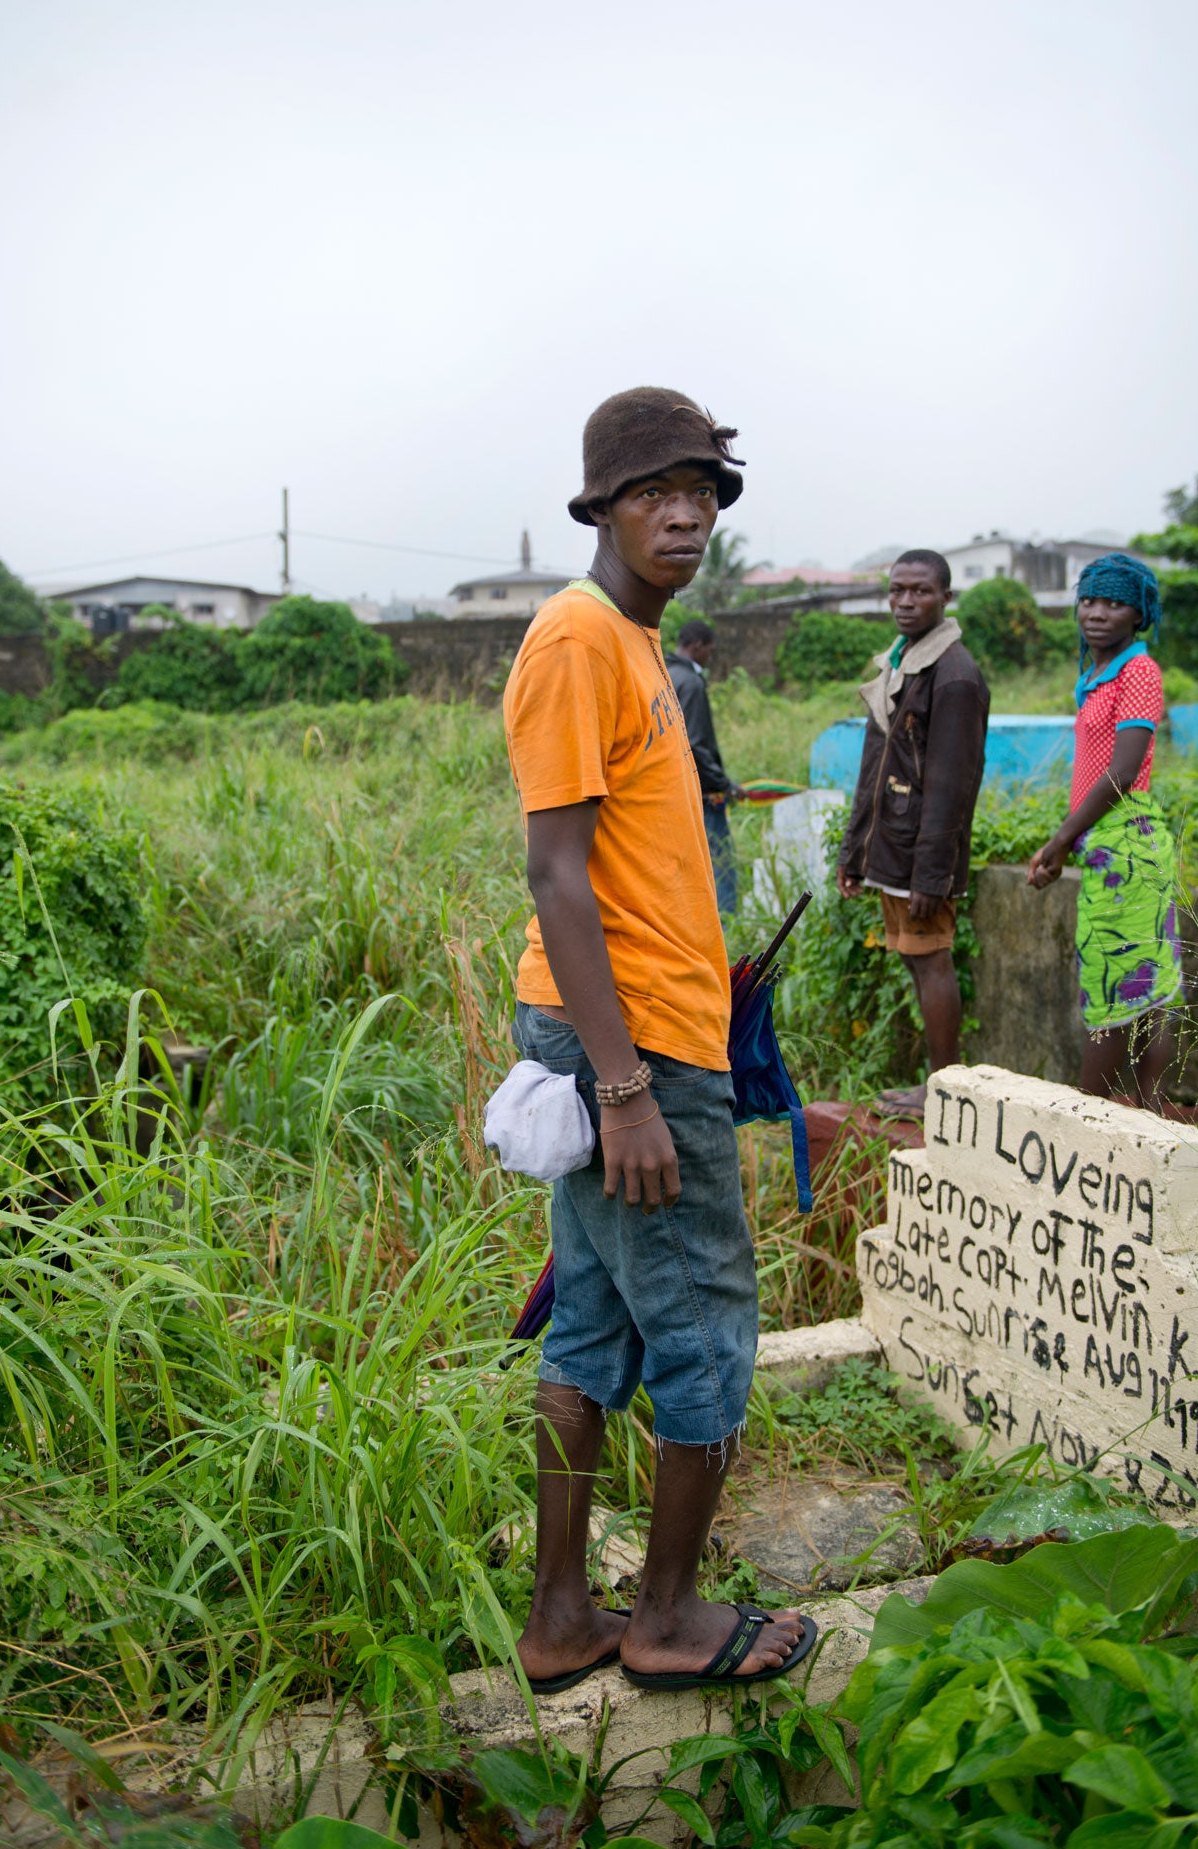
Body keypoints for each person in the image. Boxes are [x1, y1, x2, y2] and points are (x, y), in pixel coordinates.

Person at [502, 385, 814, 1696]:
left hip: (638, 1033)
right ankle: (668, 1621)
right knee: (701, 1328)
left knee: (592, 1323)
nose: (682, 513)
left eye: (702, 492)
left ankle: (564, 1619)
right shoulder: (579, 638)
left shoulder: (636, 644)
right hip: (625, 1048)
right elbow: (555, 876)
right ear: (599, 508)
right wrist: (627, 1089)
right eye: (652, 492)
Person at [835, 549, 989, 1117]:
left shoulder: (954, 677)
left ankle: (943, 1093)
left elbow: (952, 786)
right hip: (891, 847)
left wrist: (932, 873)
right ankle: (934, 1087)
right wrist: (854, 850)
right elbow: (874, 768)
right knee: (912, 957)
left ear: (945, 598)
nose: (905, 601)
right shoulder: (902, 667)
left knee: (931, 959)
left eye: (920, 591)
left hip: (920, 857)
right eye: (897, 590)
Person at [1027, 553, 1181, 1112]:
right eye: (1088, 600)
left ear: (1138, 613)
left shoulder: (1140, 671)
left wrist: (1061, 840)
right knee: (1125, 974)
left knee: (1124, 978)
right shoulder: (1094, 676)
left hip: (1128, 844)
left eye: (1114, 603)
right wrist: (1071, 839)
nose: (1096, 613)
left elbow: (1120, 772)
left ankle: (1099, 1110)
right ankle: (1134, 1108)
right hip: (1103, 843)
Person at [666, 620, 743, 914]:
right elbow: (695, 746)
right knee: (721, 864)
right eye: (709, 649)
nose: (711, 655)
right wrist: (725, 785)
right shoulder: (692, 682)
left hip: (677, 792)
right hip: (705, 794)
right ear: (697, 646)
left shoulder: (665, 674)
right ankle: (726, 927)